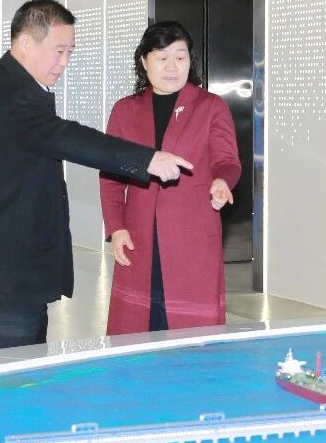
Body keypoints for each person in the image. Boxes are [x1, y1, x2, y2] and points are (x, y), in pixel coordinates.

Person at [0, 0, 192, 352]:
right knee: (7, 376)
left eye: (70, 52)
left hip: (18, 271)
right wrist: (146, 159)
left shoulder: (15, 85)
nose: (64, 62)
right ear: (26, 43)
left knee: (24, 371)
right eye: (59, 51)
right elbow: (66, 137)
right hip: (9, 275)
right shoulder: (12, 94)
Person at [100, 21, 242, 334]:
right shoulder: (125, 110)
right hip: (139, 233)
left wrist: (222, 181)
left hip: (192, 232)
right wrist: (117, 227)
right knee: (139, 323)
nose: (172, 66)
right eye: (162, 57)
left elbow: (227, 160)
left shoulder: (210, 106)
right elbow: (111, 177)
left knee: (190, 328)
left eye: (180, 57)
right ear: (144, 61)